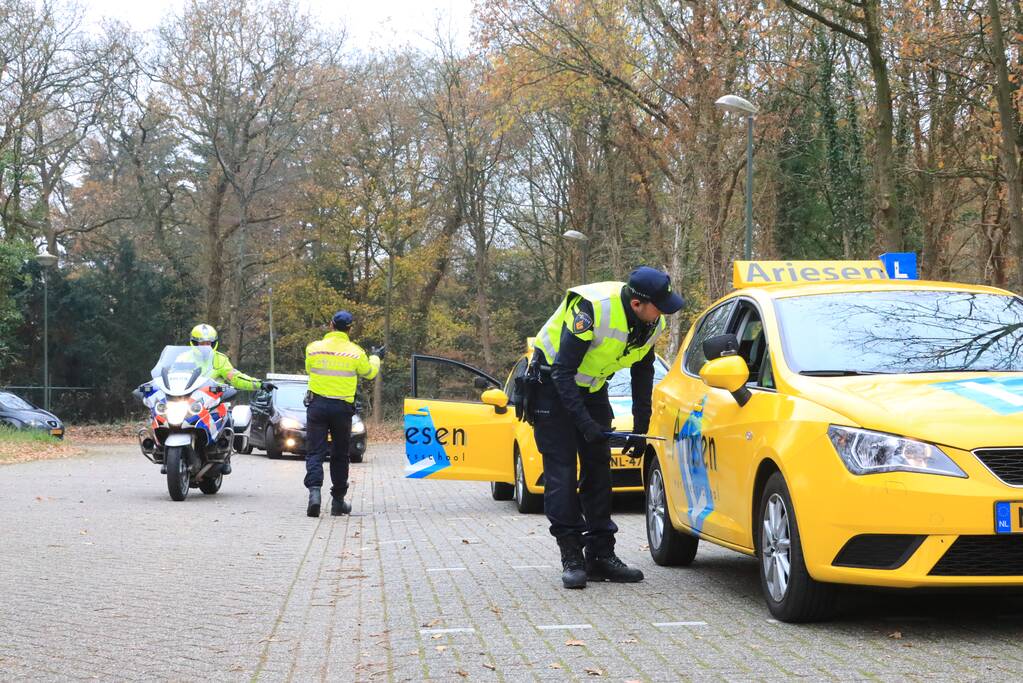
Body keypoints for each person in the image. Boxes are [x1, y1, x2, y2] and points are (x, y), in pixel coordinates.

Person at [530, 266, 684, 589]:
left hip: (592, 387)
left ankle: (601, 555)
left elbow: (643, 370)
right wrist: (585, 425)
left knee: (599, 469)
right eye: (659, 305)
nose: (663, 314)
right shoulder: (592, 308)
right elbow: (562, 373)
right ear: (637, 304)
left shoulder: (653, 321)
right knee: (562, 473)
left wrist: (642, 426)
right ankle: (572, 555)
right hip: (551, 383)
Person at [303, 310, 382, 517]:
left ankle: (314, 495)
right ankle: (338, 501)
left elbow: (309, 369)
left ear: (331, 325)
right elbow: (370, 372)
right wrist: (376, 357)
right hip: (342, 410)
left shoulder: (313, 348)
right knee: (340, 454)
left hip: (317, 405)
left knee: (315, 452)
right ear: (350, 328)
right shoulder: (356, 352)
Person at [188, 323, 273, 474]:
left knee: (226, 417)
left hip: (211, 402)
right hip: (187, 402)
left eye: (208, 343)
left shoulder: (220, 360)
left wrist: (259, 385)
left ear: (213, 344)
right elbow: (169, 374)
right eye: (201, 343)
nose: (205, 346)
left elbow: (235, 378)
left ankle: (225, 455)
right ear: (194, 343)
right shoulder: (183, 358)